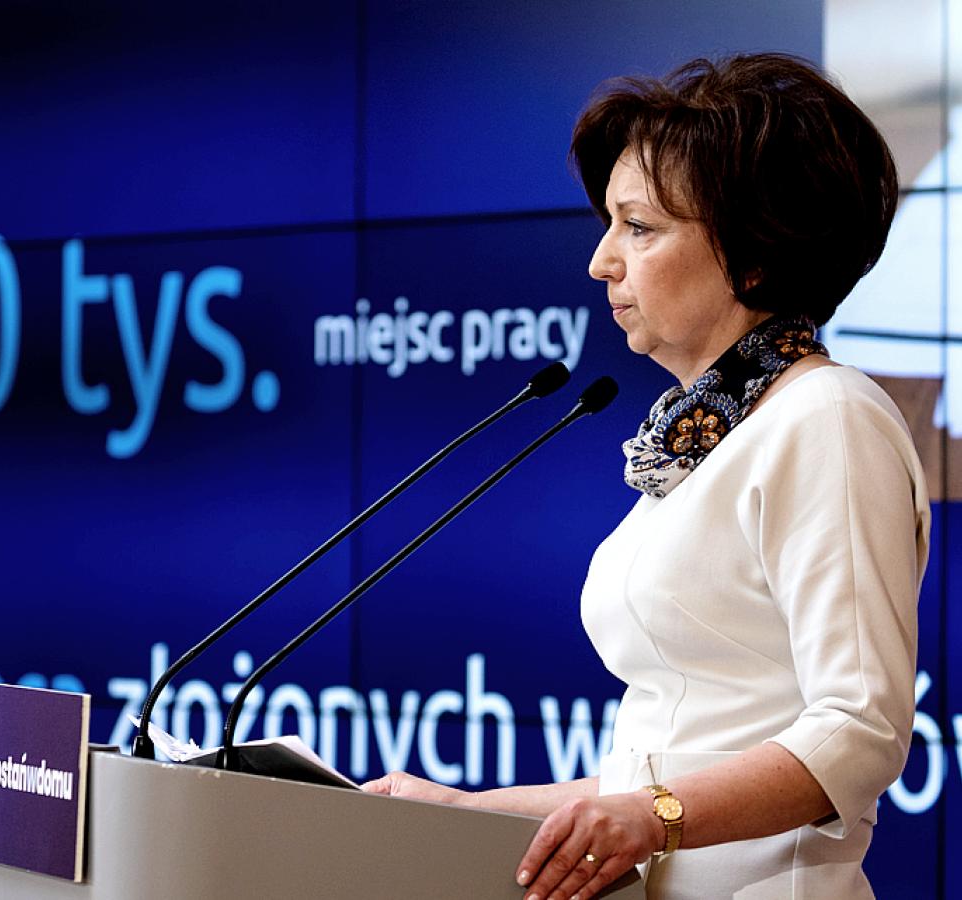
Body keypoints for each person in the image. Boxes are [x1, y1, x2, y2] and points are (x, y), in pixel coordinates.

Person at [361, 53, 930, 900]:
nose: (601, 261)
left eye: (639, 227)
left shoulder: (827, 418)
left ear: (753, 253)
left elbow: (860, 730)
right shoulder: (704, 437)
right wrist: (461, 810)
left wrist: (655, 816)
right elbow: (657, 774)